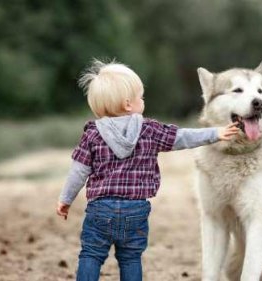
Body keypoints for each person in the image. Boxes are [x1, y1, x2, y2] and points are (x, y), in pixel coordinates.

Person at [56, 59, 239, 281]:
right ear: (127, 104)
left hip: (100, 209)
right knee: (130, 257)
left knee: (91, 255)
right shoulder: (150, 130)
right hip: (136, 209)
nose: (143, 100)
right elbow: (182, 137)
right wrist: (215, 133)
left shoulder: (92, 134)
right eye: (140, 97)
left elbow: (78, 171)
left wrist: (65, 199)